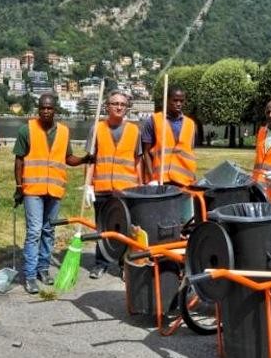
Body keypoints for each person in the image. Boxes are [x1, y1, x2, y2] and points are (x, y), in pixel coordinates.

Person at [13, 94, 93, 294]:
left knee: (49, 231)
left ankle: (43, 269)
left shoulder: (64, 132)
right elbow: (19, 161)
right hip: (33, 190)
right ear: (38, 109)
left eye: (49, 108)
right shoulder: (27, 130)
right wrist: (19, 186)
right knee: (34, 231)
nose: (46, 111)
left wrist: (85, 160)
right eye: (43, 108)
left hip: (55, 190)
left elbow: (68, 158)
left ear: (54, 110)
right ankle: (30, 275)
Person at [83, 90, 143, 279]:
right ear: (107, 106)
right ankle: (101, 263)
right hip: (102, 188)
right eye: (114, 103)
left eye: (122, 104)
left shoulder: (134, 130)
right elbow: (90, 160)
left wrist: (141, 186)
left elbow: (138, 160)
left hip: (126, 190)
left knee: (125, 229)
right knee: (102, 228)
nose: (118, 107)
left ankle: (125, 265)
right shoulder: (97, 129)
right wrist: (88, 185)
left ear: (126, 108)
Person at [141, 87, 197, 186]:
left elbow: (190, 152)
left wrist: (193, 177)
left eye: (181, 101)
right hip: (161, 179)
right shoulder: (154, 120)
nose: (178, 104)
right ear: (167, 100)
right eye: (175, 100)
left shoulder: (190, 124)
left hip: (184, 180)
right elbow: (146, 152)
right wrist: (152, 178)